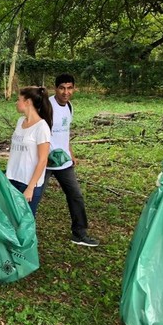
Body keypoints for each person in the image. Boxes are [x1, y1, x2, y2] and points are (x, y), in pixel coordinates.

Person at [42, 73, 99, 247]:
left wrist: (70, 152)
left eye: (69, 88)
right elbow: (37, 133)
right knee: (31, 197)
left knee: (76, 196)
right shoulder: (46, 106)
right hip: (44, 163)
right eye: (62, 88)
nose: (66, 92)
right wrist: (41, 158)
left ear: (74, 89)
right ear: (55, 88)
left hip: (64, 162)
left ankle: (79, 233)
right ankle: (17, 232)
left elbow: (65, 133)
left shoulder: (69, 107)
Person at [5, 86, 52, 216]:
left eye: (18, 99)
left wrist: (30, 187)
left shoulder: (42, 127)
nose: (16, 102)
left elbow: (43, 160)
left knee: (25, 223)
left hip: (28, 182)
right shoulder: (20, 121)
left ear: (28, 102)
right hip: (12, 178)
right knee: (11, 219)